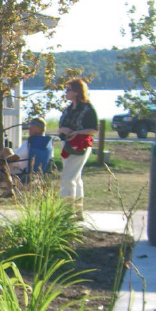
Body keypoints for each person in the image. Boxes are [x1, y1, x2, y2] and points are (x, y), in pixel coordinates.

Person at [59, 78, 97, 219]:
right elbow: (61, 125)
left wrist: (77, 132)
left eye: (68, 90)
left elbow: (94, 129)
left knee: (67, 178)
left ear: (76, 91)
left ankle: (67, 211)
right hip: (67, 145)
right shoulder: (69, 109)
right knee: (76, 178)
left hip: (80, 145)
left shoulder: (88, 109)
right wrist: (62, 130)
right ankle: (79, 212)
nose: (66, 93)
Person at [0, 117, 48, 197]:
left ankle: (9, 188)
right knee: (5, 154)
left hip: (23, 166)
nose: (29, 129)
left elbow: (15, 157)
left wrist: (2, 160)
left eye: (32, 127)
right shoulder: (47, 142)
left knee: (5, 154)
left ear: (39, 129)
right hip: (39, 167)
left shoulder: (32, 141)